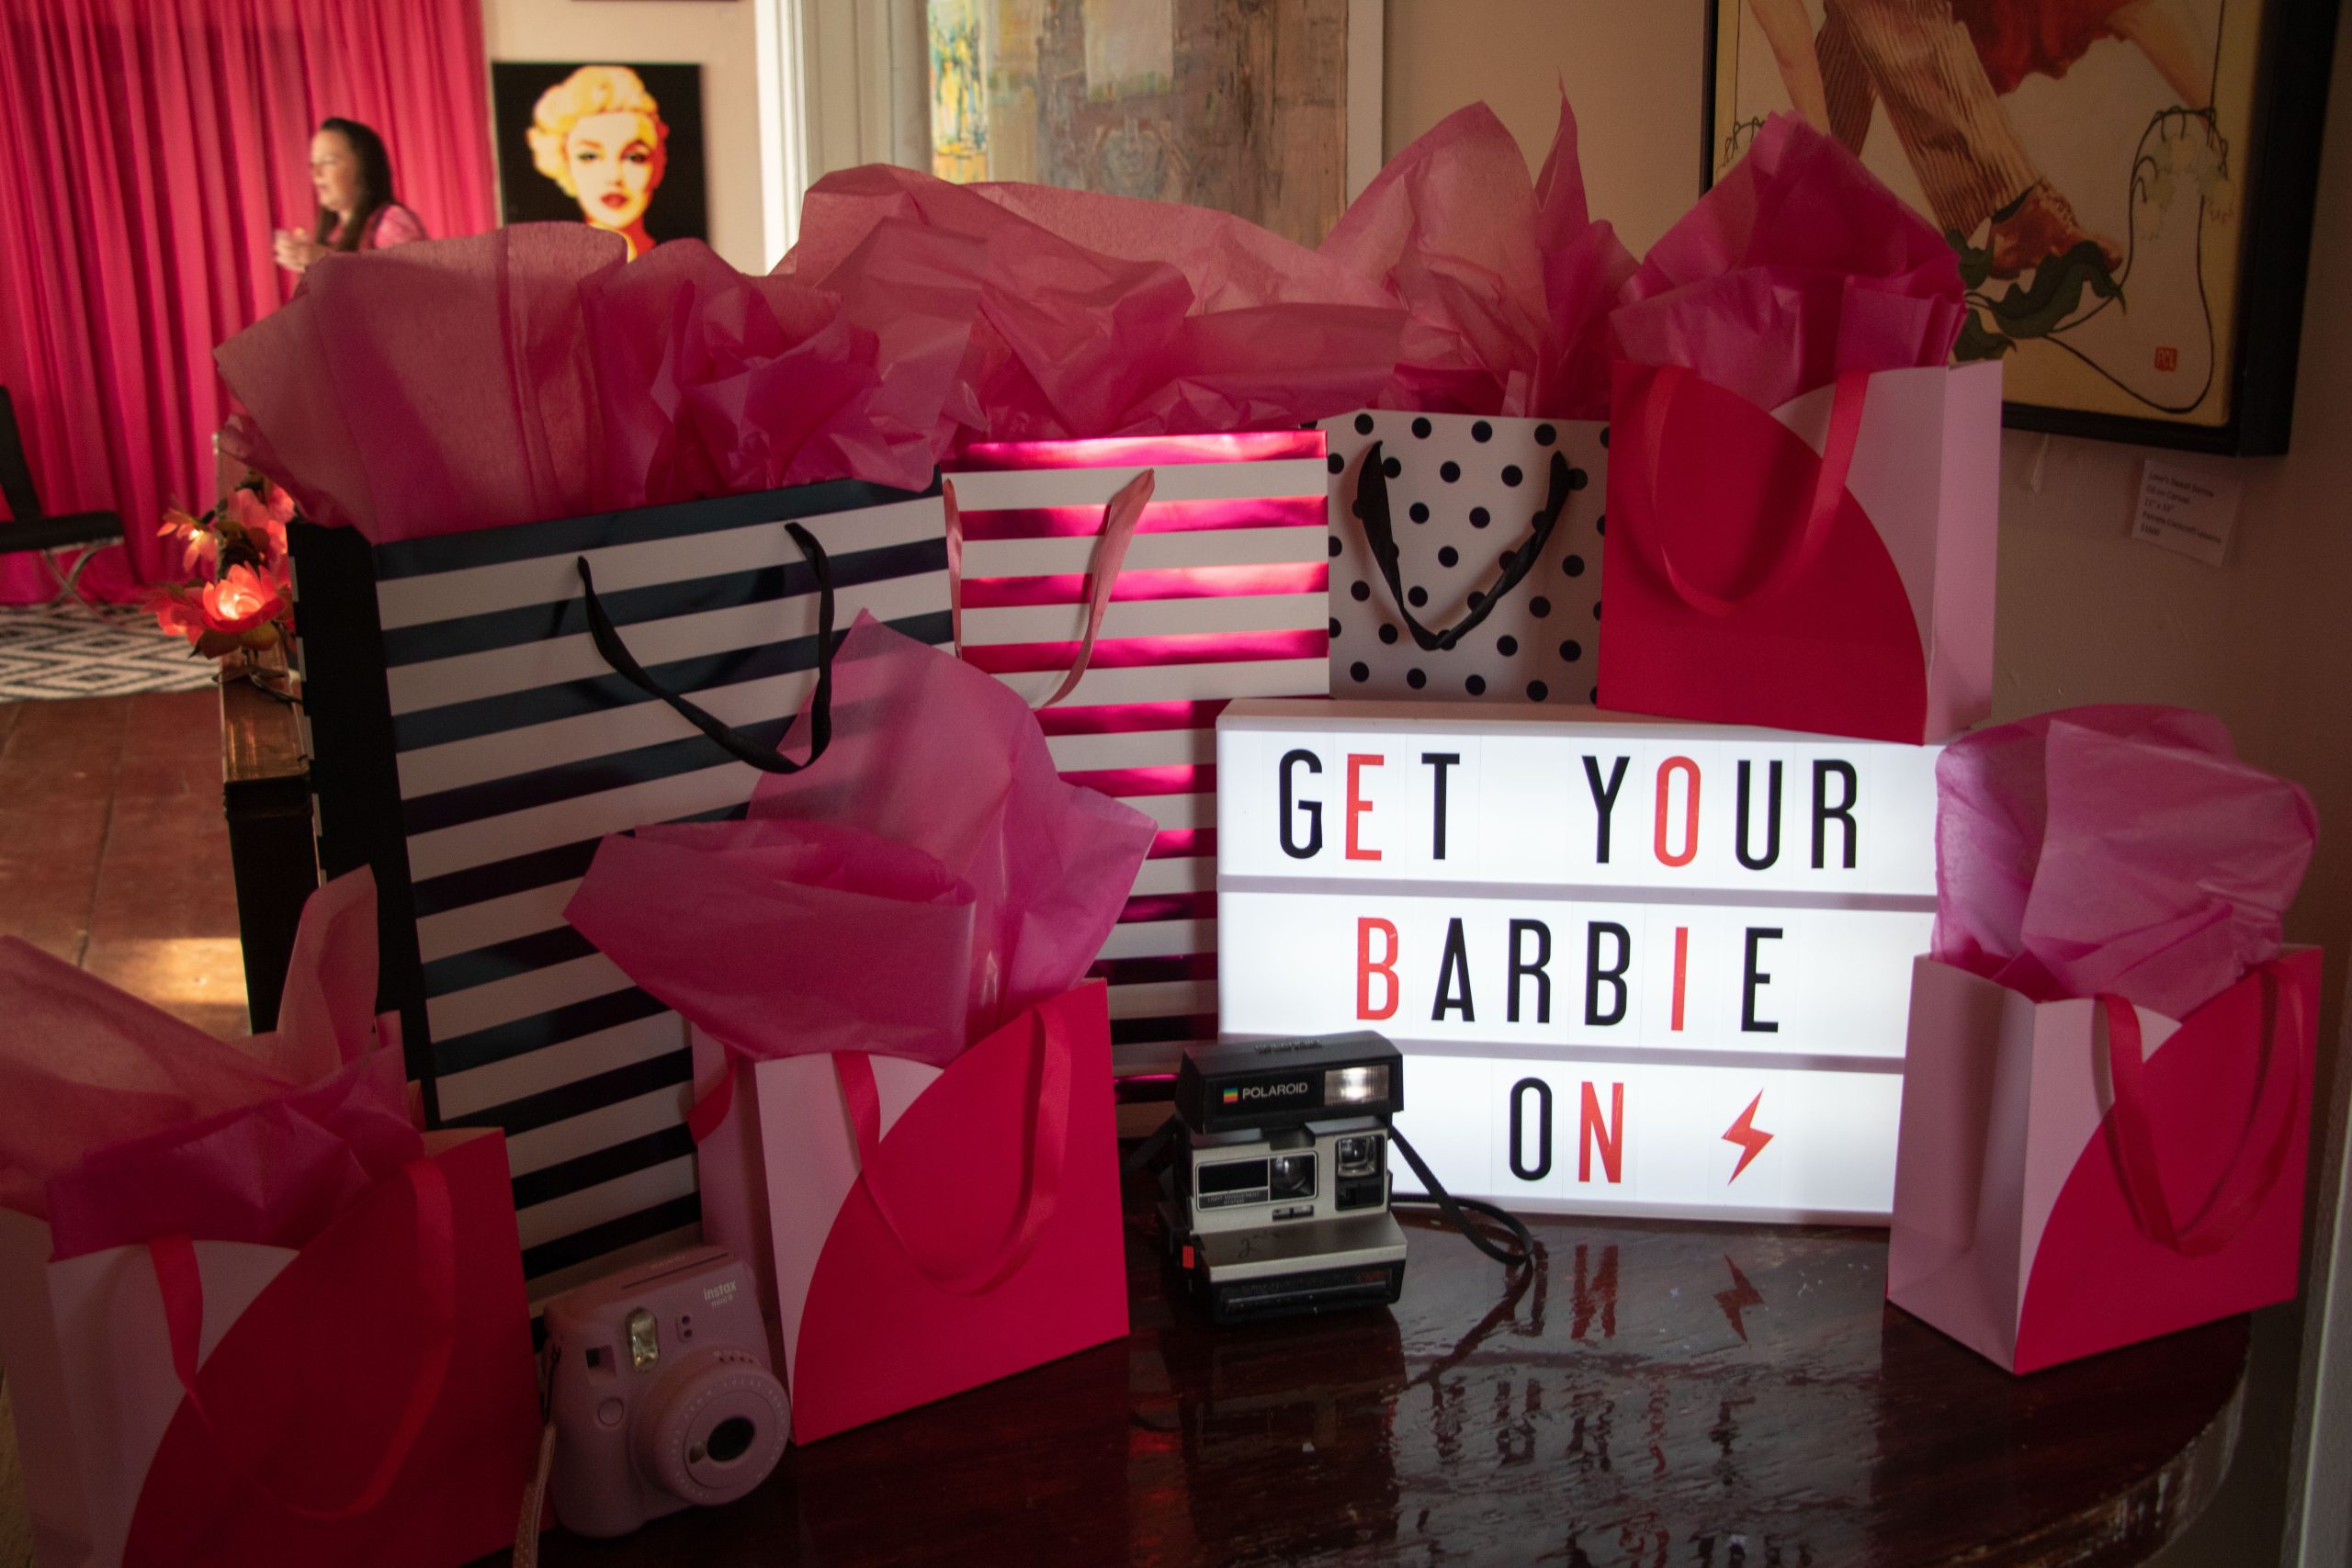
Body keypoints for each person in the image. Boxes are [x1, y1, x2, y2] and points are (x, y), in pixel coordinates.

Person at [526, 65, 670, 260]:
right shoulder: (544, 267)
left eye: (634, 157)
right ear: (564, 163)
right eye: (589, 156)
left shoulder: (687, 268)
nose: (613, 176)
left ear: (656, 165)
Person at [272, 118, 425, 273]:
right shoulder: (335, 234)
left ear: (363, 167)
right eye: (313, 164)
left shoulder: (391, 223)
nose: (316, 173)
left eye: (328, 161)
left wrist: (330, 262)